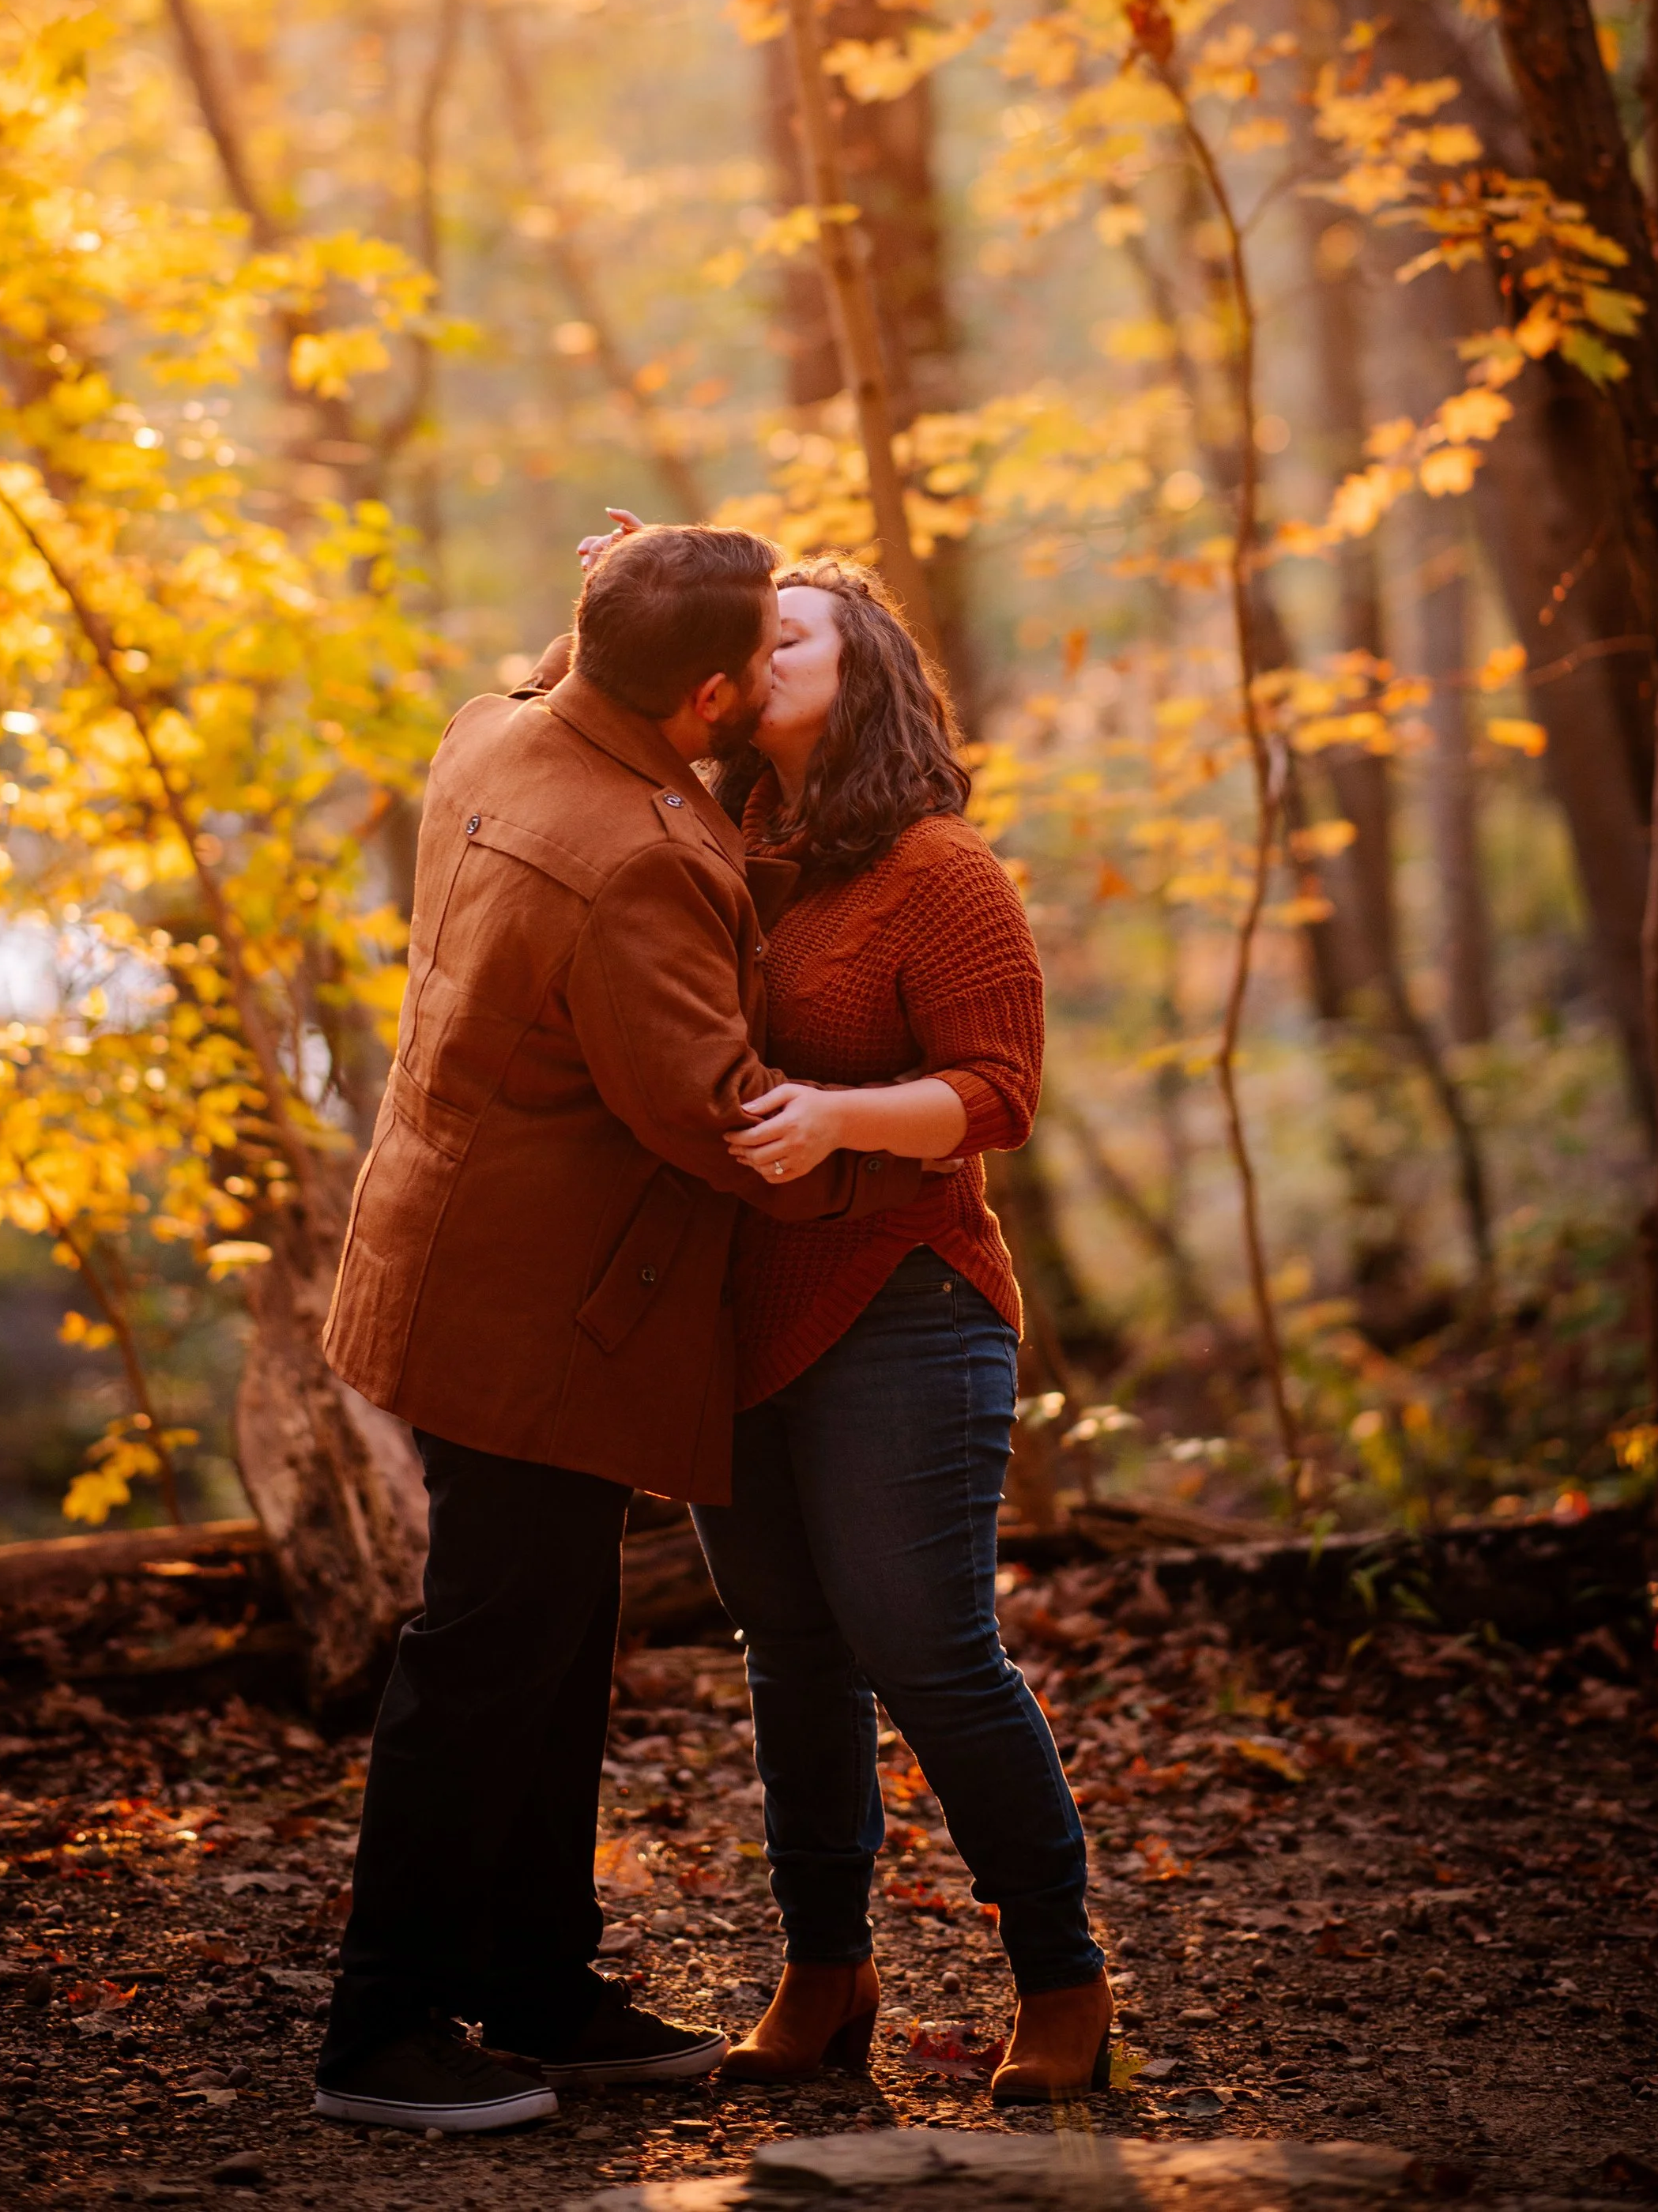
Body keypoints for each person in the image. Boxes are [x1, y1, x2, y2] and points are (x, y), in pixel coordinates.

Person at [314, 526, 929, 2136]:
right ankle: (380, 2027)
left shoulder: (505, 725)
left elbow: (603, 655)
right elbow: (717, 1117)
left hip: (457, 1263)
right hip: (533, 1311)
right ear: (711, 691)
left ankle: (534, 1979)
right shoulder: (631, 855)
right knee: (487, 1650)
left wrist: (634, 571)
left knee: (550, 1637)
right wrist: (898, 1152)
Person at [698, 555, 1112, 2106]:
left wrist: (835, 1122)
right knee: (786, 1656)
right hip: (734, 1318)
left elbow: (996, 1095)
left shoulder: (940, 873)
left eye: (783, 633)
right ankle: (824, 1967)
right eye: (740, 642)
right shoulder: (728, 849)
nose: (753, 656)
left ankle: (1061, 1979)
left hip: (904, 1303)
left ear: (859, 668)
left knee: (927, 1651)